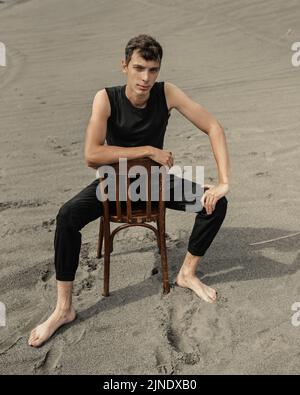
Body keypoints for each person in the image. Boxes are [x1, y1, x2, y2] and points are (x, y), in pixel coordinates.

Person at [28, 34, 230, 347]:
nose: (146, 78)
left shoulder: (168, 93)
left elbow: (213, 127)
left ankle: (187, 273)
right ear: (124, 66)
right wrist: (147, 150)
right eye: (139, 68)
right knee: (67, 216)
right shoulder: (105, 98)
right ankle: (63, 309)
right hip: (115, 184)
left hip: (155, 184)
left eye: (153, 70)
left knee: (215, 203)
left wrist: (223, 181)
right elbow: (91, 155)